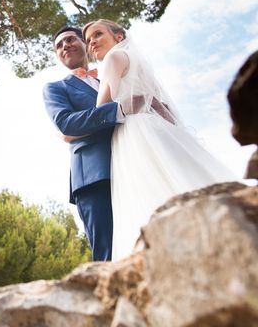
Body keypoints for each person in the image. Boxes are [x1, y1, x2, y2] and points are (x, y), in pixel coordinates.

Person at [82, 19, 239, 260]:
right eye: (89, 40)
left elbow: (103, 107)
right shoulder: (137, 62)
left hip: (134, 133)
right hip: (157, 127)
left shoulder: (114, 59)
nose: (92, 42)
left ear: (119, 36)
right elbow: (159, 105)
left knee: (147, 194)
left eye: (98, 34)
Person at [42, 26, 122, 261]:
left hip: (133, 161)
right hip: (93, 175)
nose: (64, 46)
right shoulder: (55, 88)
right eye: (59, 45)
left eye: (69, 40)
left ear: (85, 44)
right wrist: (118, 111)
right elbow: (66, 123)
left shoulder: (115, 73)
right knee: (108, 253)